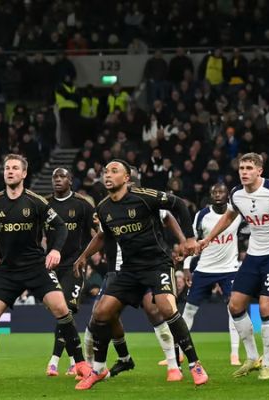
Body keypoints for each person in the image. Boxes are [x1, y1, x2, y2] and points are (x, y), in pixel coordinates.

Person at [75, 160, 207, 390]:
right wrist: (84, 256)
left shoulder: (145, 196)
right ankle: (98, 369)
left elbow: (178, 205)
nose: (108, 175)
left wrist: (188, 238)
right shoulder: (104, 208)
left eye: (114, 171)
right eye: (105, 172)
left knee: (165, 308)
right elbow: (103, 236)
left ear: (127, 178)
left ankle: (194, 364)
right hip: (129, 270)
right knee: (101, 313)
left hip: (157, 264)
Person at [0, 154, 91, 384]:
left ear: (24, 173)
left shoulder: (36, 201)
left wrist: (55, 250)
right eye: (7, 168)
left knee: (61, 308)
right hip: (7, 271)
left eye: (15, 168)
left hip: (36, 267)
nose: (10, 171)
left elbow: (61, 227)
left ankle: (80, 364)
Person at [198, 153, 269, 380]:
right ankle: (251, 357)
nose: (244, 172)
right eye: (241, 168)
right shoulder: (236, 194)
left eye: (249, 168)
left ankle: (267, 362)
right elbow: (229, 217)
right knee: (235, 305)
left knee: (266, 307)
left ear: (260, 170)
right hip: (254, 254)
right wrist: (208, 238)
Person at [182, 183, 242, 366]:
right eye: (214, 192)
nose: (217, 194)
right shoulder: (202, 215)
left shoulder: (237, 213)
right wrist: (186, 267)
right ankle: (179, 352)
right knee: (189, 310)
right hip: (204, 269)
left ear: (227, 195)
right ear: (210, 195)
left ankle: (234, 354)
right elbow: (191, 242)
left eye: (221, 192)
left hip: (229, 269)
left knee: (234, 309)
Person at [45, 168, 96, 376]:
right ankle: (75, 360)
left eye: (62, 177)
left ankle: (54, 361)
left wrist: (87, 255)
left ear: (71, 181)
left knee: (66, 310)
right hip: (51, 266)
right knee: (61, 313)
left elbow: (98, 232)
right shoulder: (44, 204)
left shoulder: (82, 204)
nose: (58, 180)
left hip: (74, 266)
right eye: (55, 177)